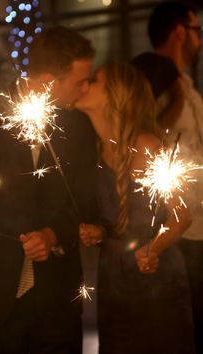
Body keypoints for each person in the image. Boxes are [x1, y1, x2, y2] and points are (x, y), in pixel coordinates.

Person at [0, 26, 97, 354]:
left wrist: (53, 235)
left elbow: (85, 202)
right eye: (79, 81)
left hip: (57, 302)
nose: (85, 90)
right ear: (51, 80)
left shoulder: (79, 128)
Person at [75, 61, 195, 354]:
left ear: (116, 96)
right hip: (113, 278)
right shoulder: (96, 149)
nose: (85, 85)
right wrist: (101, 232)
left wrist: (153, 249)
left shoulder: (147, 146)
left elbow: (181, 215)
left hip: (154, 277)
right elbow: (119, 222)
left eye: (95, 81)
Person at [135, 2, 203, 352]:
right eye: (197, 30)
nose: (200, 39)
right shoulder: (152, 81)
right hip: (180, 234)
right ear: (180, 31)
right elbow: (141, 137)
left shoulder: (189, 88)